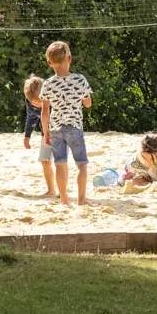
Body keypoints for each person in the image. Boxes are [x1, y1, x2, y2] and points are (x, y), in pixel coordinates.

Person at [39, 41, 93, 206]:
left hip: (55, 128)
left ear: (49, 63)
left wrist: (46, 133)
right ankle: (81, 200)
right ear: (69, 59)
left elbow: (44, 112)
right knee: (81, 165)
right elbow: (88, 103)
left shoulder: (48, 83)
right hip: (74, 126)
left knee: (60, 164)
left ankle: (64, 199)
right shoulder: (80, 79)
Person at [22, 75, 56, 198]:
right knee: (45, 160)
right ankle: (51, 190)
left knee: (60, 161)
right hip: (45, 134)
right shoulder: (30, 101)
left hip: (60, 133)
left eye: (39, 101)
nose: (37, 104)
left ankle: (63, 190)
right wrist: (27, 136)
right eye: (34, 102)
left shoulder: (55, 98)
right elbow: (31, 118)